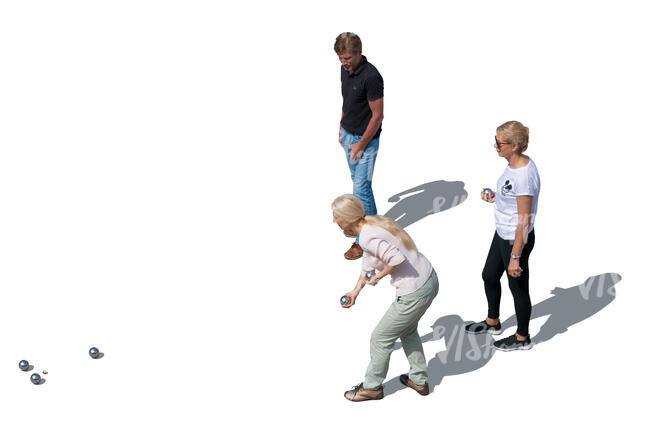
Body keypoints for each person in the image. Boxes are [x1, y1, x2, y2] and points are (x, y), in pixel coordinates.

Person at [332, 194, 439, 401]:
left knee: (380, 337)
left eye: (336, 216)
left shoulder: (366, 236)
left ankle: (372, 387)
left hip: (414, 290)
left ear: (347, 218)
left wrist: (379, 277)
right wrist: (355, 291)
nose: (333, 220)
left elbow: (395, 259)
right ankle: (419, 379)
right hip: (428, 278)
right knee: (407, 331)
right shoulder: (372, 222)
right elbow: (369, 258)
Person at [465, 121, 541, 351]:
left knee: (518, 288)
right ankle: (493, 321)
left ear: (515, 145)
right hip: (502, 233)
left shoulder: (525, 176)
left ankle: (522, 337)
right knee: (489, 275)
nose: (495, 146)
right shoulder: (512, 165)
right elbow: (511, 197)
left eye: (500, 143)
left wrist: (515, 257)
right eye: (495, 141)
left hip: (516, 239)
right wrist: (496, 197)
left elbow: (524, 221)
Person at [334, 32, 384, 260]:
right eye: (340, 58)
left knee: (360, 189)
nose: (343, 63)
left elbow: (377, 116)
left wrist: (361, 144)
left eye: (346, 58)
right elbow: (348, 101)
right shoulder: (345, 71)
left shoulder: (372, 76)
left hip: (365, 142)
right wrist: (341, 127)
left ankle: (363, 240)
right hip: (348, 135)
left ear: (358, 53)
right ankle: (375, 227)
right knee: (360, 186)